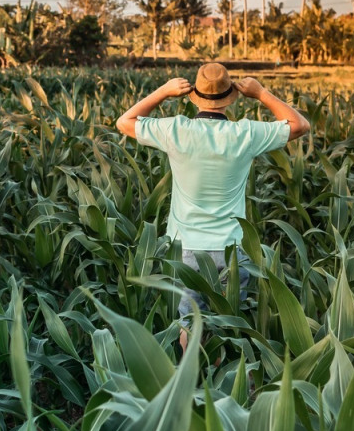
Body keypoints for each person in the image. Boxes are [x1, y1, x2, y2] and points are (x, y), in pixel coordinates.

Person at [116, 63, 310, 351]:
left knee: (188, 323)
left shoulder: (176, 130)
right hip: (232, 248)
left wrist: (164, 92)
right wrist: (261, 93)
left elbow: (124, 122)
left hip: (186, 248)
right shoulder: (245, 134)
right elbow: (300, 125)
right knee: (229, 324)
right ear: (230, 95)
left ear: (194, 94)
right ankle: (226, 384)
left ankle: (191, 382)